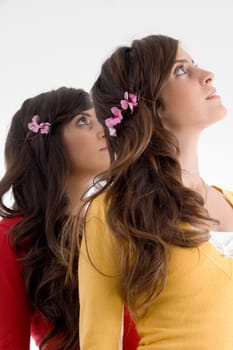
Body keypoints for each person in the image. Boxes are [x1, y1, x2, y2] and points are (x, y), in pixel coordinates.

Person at [77, 35, 233, 349]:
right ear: (151, 104)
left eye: (195, 65)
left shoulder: (229, 200)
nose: (208, 75)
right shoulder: (113, 210)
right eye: (180, 71)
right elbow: (99, 340)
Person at [0, 87, 139, 349]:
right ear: (46, 143)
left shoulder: (121, 227)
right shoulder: (12, 237)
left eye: (100, 118)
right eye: (83, 121)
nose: (104, 130)